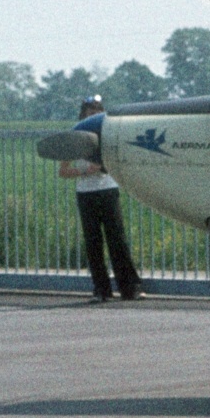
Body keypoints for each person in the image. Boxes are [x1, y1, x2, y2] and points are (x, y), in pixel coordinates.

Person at [59, 96, 143, 302]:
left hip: (108, 189)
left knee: (117, 240)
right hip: (86, 193)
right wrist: (85, 170)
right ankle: (101, 290)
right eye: (89, 114)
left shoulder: (109, 135)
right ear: (83, 116)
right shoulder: (75, 137)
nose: (93, 116)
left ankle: (130, 288)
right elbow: (63, 171)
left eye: (96, 113)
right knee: (93, 242)